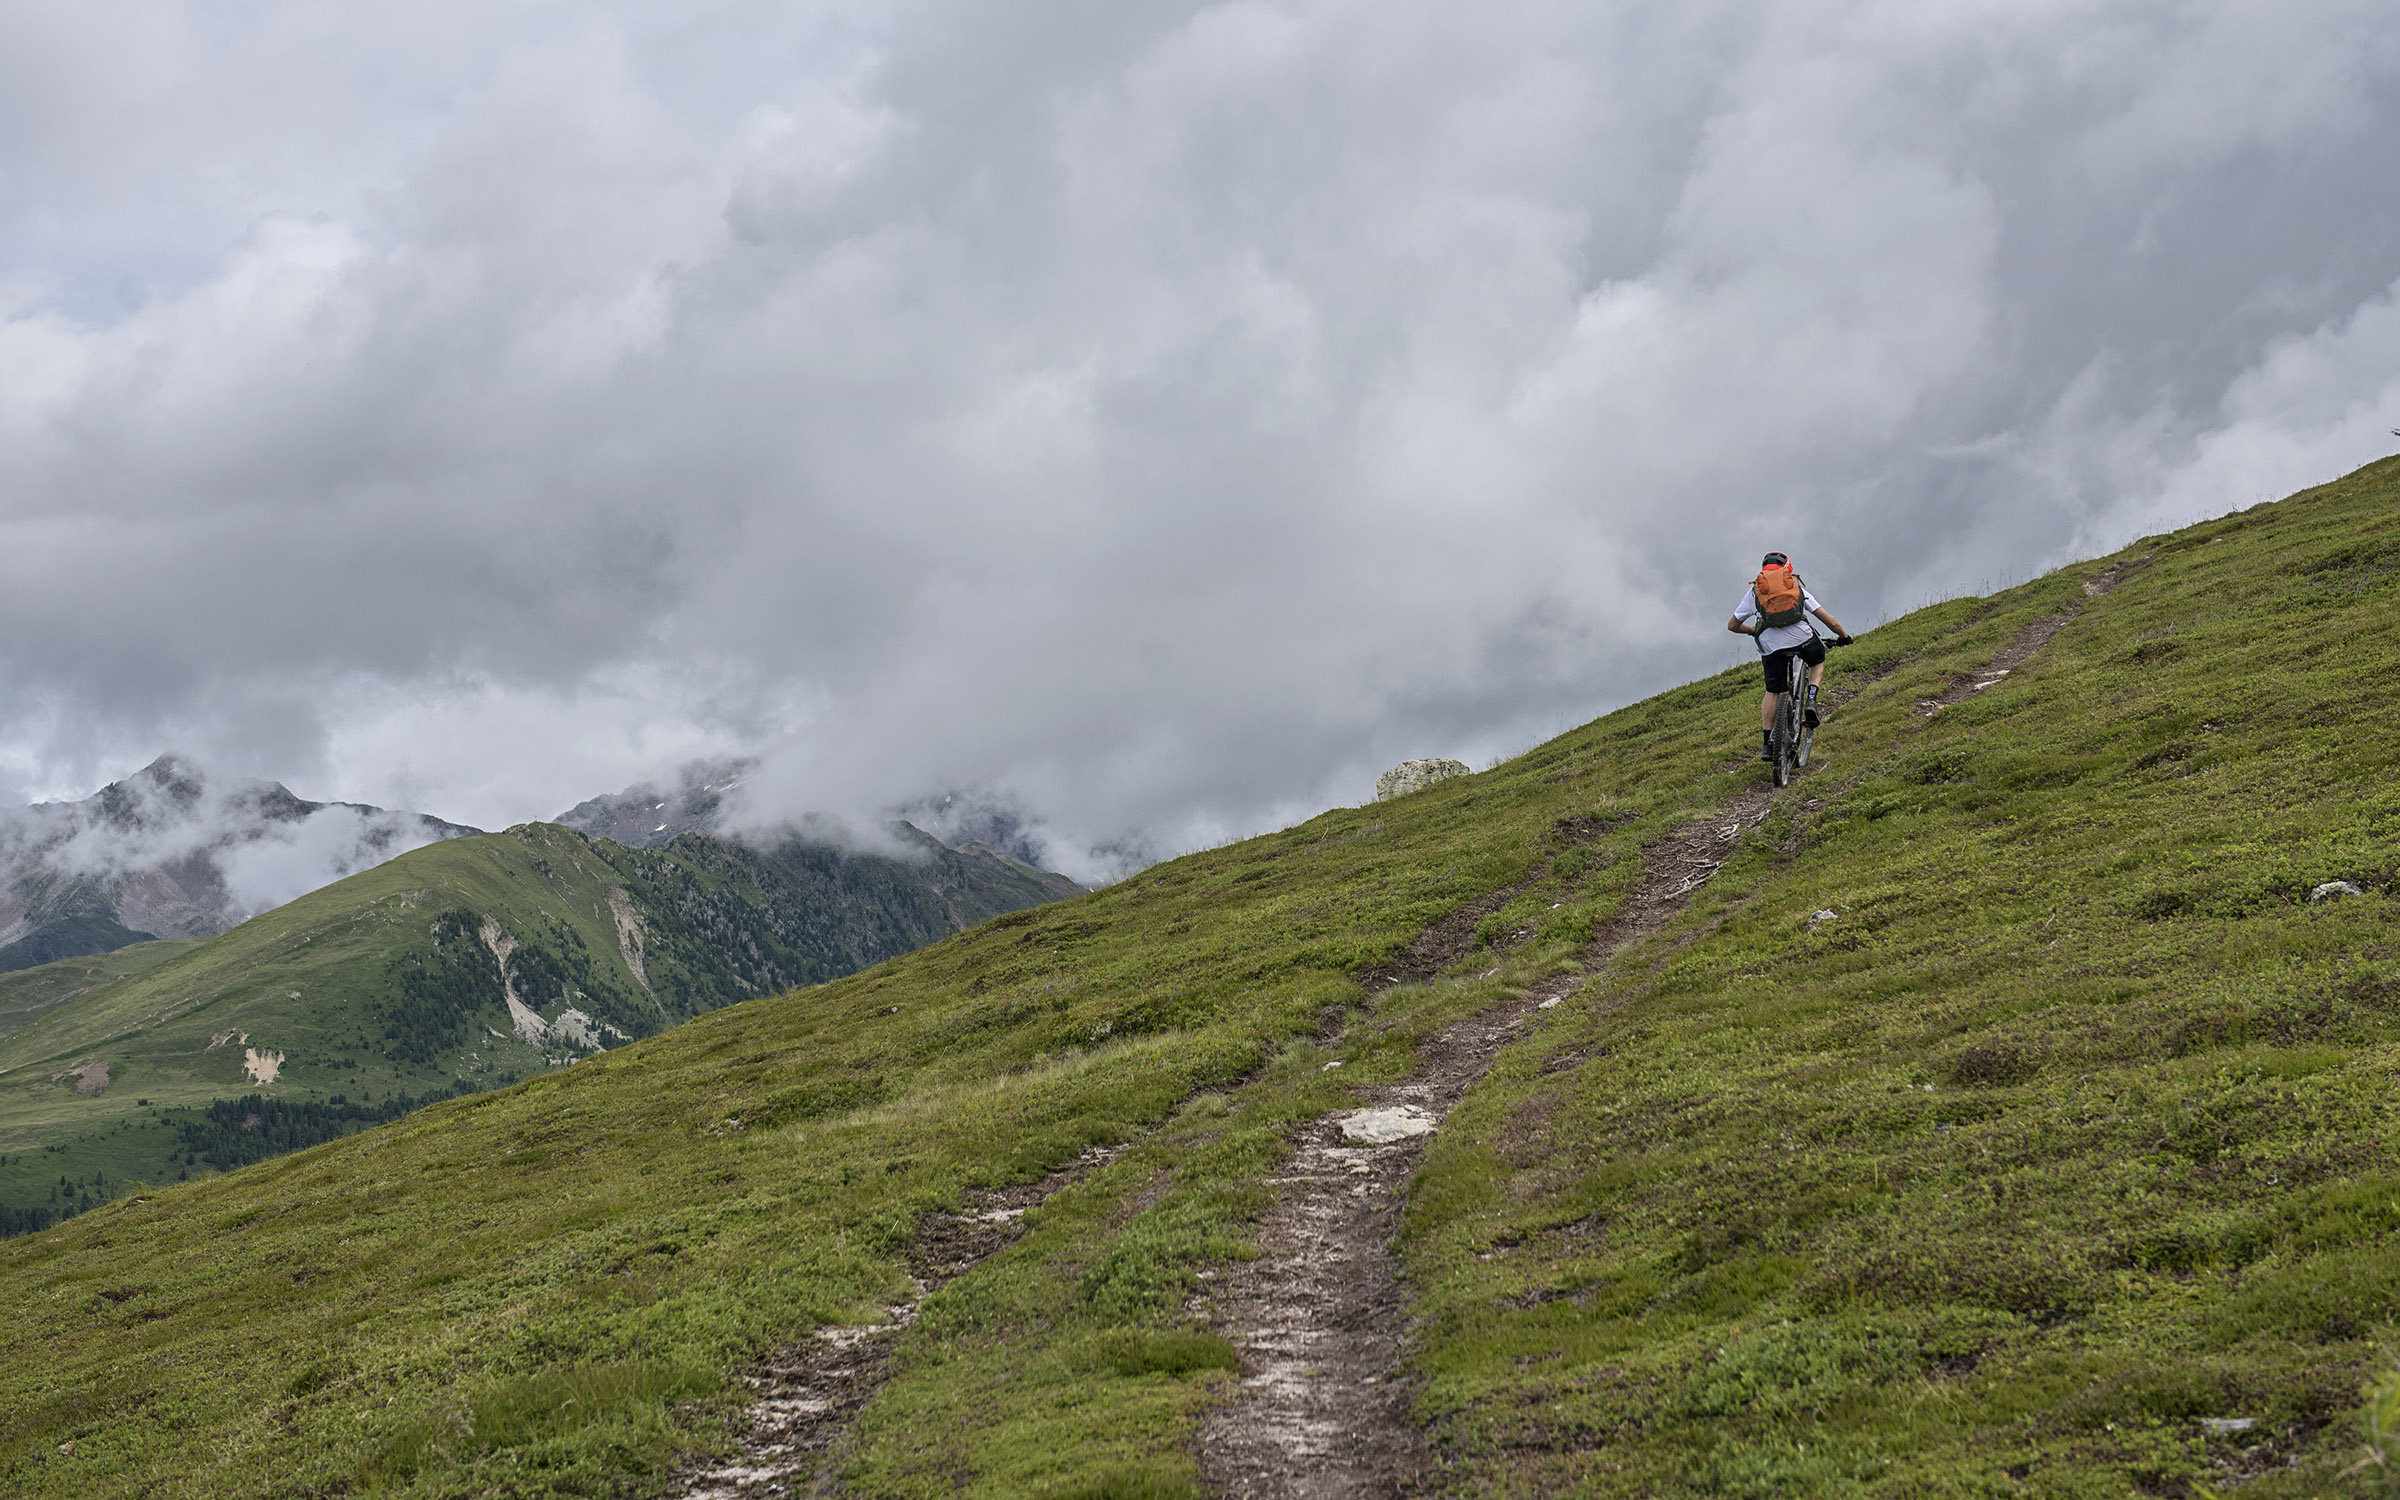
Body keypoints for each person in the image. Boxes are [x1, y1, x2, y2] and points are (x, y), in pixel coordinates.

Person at [1727, 551, 1852, 762]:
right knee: (1817, 660)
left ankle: (1767, 743)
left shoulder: (1755, 591)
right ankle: (1811, 699)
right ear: (1788, 568)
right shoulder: (1794, 586)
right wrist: (1844, 636)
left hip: (1769, 644)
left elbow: (1732, 625)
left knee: (1773, 691)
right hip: (1801, 636)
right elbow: (1828, 620)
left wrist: (1752, 631)